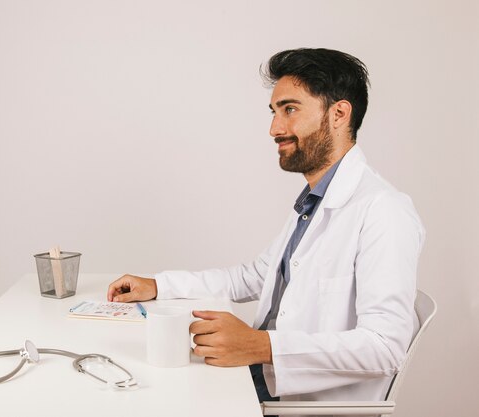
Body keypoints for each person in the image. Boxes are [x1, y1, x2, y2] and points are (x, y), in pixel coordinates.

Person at [107, 48, 425, 404]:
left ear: (339, 114)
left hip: (302, 403)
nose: (275, 129)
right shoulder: (315, 201)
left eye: (289, 109)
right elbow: (252, 277)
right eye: (274, 112)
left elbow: (385, 348)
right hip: (258, 378)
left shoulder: (384, 211)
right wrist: (158, 285)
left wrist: (261, 345)